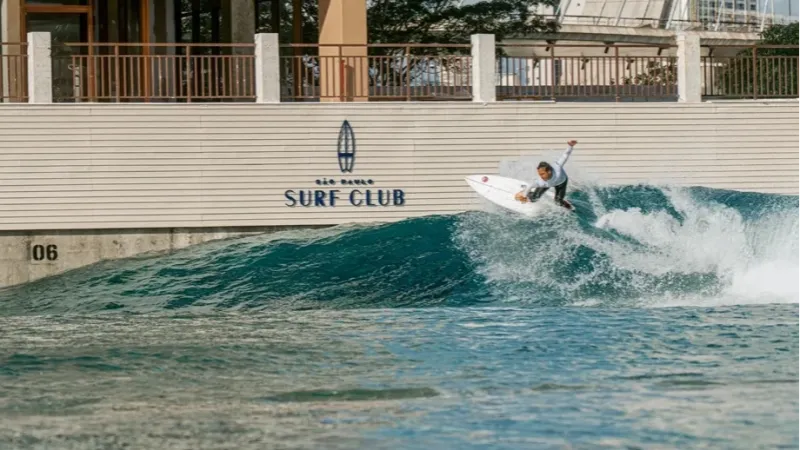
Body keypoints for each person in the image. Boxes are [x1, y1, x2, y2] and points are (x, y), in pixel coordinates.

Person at [514, 140, 577, 208]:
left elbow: (565, 155)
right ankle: (525, 191)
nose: (541, 176)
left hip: (561, 183)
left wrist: (570, 146)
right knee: (534, 199)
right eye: (539, 174)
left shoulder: (557, 167)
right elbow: (530, 186)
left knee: (558, 202)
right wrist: (524, 196)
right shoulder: (540, 181)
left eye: (542, 174)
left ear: (549, 171)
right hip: (547, 184)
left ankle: (569, 207)